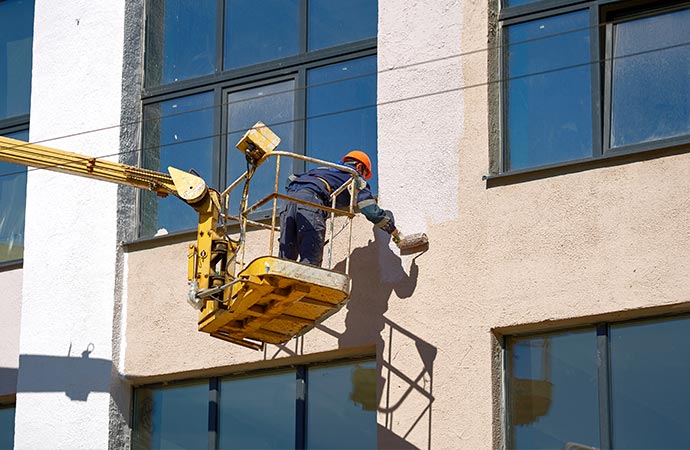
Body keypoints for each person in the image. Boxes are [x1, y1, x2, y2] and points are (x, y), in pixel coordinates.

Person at [279, 150, 399, 266]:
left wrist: (297, 196)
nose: (364, 177)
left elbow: (291, 178)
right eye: (364, 174)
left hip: (287, 202)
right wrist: (392, 230)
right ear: (359, 167)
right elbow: (370, 211)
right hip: (311, 202)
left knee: (285, 261)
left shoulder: (324, 170)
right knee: (310, 262)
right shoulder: (354, 178)